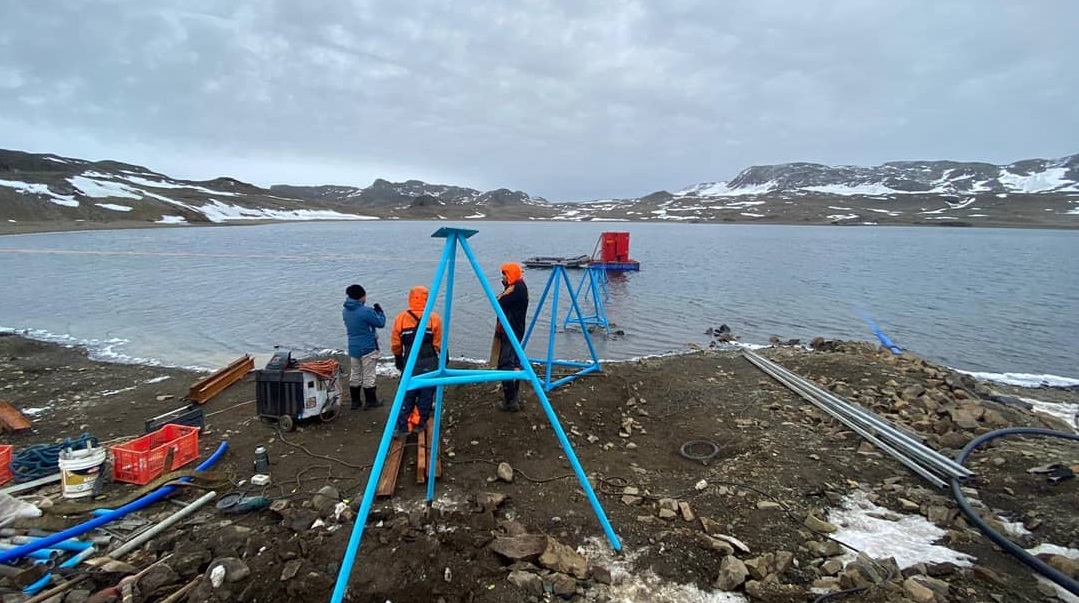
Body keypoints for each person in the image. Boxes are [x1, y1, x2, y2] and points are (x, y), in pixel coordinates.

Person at [390, 286, 443, 437]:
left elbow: (395, 342)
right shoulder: (434, 318)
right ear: (427, 299)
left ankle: (404, 426)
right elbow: (438, 343)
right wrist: (443, 357)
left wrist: (398, 357)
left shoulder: (401, 318)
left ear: (410, 298)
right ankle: (420, 423)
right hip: (429, 360)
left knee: (407, 391)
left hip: (410, 360)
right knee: (427, 393)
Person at [342, 284, 386, 410]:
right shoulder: (365, 311)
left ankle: (355, 402)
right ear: (361, 297)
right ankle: (371, 401)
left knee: (355, 374)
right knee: (369, 375)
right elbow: (380, 323)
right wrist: (380, 312)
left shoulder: (345, 311)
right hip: (368, 347)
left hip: (353, 347)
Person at [494, 262, 529, 411]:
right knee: (514, 363)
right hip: (513, 329)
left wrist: (505, 288)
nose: (503, 278)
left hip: (512, 330)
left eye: (505, 275)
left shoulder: (517, 288)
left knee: (505, 364)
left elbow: (499, 301)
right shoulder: (517, 287)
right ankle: (513, 397)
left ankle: (511, 400)